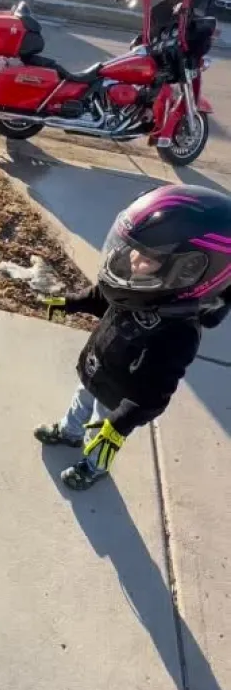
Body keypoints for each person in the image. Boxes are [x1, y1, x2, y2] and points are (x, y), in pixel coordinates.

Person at [35, 184, 231, 490]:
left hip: (118, 397)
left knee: (99, 430)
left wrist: (120, 424)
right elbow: (103, 297)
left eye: (147, 259)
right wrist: (72, 303)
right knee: (80, 401)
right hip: (96, 367)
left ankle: (94, 465)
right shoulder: (137, 287)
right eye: (133, 251)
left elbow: (155, 394)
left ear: (189, 270)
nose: (133, 262)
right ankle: (69, 432)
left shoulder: (177, 332)